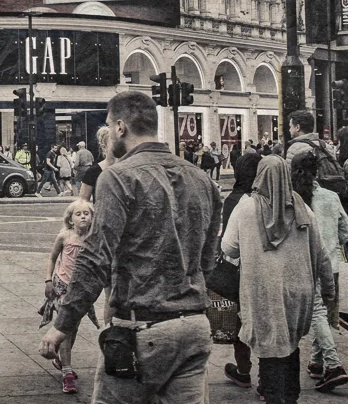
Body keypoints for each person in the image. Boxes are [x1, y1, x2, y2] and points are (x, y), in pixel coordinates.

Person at [40, 91, 221, 404]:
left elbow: (95, 257)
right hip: (193, 327)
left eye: (110, 125)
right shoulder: (201, 179)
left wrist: (62, 324)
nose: (109, 133)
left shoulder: (118, 177)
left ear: (121, 128)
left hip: (142, 330)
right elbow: (207, 260)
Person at [220, 156, 331, 404]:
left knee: (270, 351)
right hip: (299, 290)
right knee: (290, 345)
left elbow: (228, 248)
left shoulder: (246, 207)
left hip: (263, 292)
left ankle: (273, 396)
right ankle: (291, 397)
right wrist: (329, 290)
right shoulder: (302, 206)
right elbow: (321, 253)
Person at [290, 149, 348, 392]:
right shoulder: (331, 196)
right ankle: (316, 362)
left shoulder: (294, 199)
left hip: (307, 264)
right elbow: (346, 231)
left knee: (317, 313)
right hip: (333, 263)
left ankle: (334, 364)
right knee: (323, 313)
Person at [40, 199, 96, 393]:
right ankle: (67, 372)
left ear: (92, 218)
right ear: (70, 219)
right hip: (62, 287)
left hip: (81, 290)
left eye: (86, 213)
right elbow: (52, 258)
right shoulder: (64, 236)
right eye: (78, 214)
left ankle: (61, 359)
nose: (83, 217)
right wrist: (48, 280)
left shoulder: (93, 238)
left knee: (73, 328)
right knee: (66, 328)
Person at [222, 149, 264, 390]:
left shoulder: (234, 200)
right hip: (267, 267)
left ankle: (244, 369)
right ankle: (267, 375)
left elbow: (228, 244)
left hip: (240, 269)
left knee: (241, 320)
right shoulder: (270, 198)